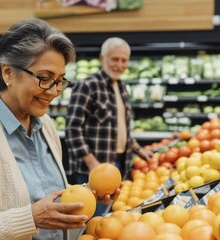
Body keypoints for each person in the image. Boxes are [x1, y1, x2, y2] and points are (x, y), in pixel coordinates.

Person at [0, 18, 118, 240]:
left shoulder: (46, 125)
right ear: (8, 73)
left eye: (60, 80)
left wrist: (85, 195)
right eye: (44, 78)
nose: (53, 91)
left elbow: (45, 196)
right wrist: (29, 218)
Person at [65, 37, 154, 215]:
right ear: (102, 58)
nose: (119, 65)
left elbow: (121, 129)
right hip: (92, 170)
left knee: (110, 218)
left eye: (124, 60)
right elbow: (72, 129)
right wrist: (93, 163)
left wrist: (138, 149)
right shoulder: (87, 86)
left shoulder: (121, 87)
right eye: (115, 59)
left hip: (119, 165)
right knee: (93, 220)